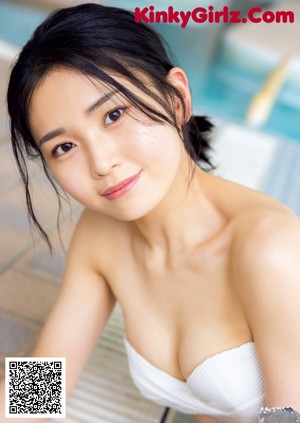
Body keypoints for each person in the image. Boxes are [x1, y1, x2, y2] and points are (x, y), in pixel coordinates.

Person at [1, 3, 300, 422]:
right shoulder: (100, 234)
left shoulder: (271, 248)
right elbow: (44, 384)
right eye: (64, 147)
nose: (101, 162)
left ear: (176, 99)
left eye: (114, 114)